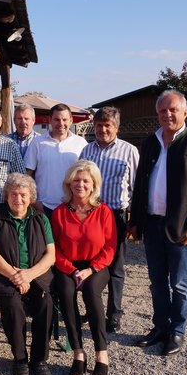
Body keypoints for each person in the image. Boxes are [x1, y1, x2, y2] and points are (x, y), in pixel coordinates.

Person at [129, 90, 187, 356]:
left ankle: (177, 331)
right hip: (152, 226)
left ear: (184, 112)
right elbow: (141, 185)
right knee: (156, 281)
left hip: (182, 228)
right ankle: (160, 327)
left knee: (179, 283)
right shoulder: (150, 142)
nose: (167, 115)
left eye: (172, 110)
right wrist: (135, 221)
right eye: (162, 111)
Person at [51, 160, 116, 375]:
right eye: (76, 180)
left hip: (95, 265)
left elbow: (110, 248)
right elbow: (55, 248)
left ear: (94, 184)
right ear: (69, 183)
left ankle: (101, 353)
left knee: (91, 292)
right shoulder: (60, 212)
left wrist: (89, 270)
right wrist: (71, 270)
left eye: (85, 181)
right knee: (66, 293)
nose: (80, 184)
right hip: (67, 265)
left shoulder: (103, 211)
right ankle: (78, 353)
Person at [0, 173, 55, 375]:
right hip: (5, 275)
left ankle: (39, 359)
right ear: (6, 196)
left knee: (46, 303)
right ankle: (20, 358)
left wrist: (29, 275)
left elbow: (51, 254)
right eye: (13, 194)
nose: (18, 199)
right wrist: (16, 276)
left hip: (36, 275)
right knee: (13, 305)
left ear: (31, 197)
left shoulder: (41, 218)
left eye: (23, 195)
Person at [79, 106, 139, 333]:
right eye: (99, 125)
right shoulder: (86, 151)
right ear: (94, 126)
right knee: (88, 263)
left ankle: (114, 313)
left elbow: (136, 188)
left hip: (115, 214)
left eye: (108, 126)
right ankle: (91, 308)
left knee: (115, 267)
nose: (103, 129)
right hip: (90, 214)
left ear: (117, 127)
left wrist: (132, 218)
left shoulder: (129, 151)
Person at [25, 103, 88, 219]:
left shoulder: (81, 144)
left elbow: (89, 177)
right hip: (43, 208)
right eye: (57, 119)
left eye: (65, 119)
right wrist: (34, 201)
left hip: (72, 207)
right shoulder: (37, 143)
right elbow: (27, 176)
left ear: (71, 120)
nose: (61, 124)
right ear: (50, 120)